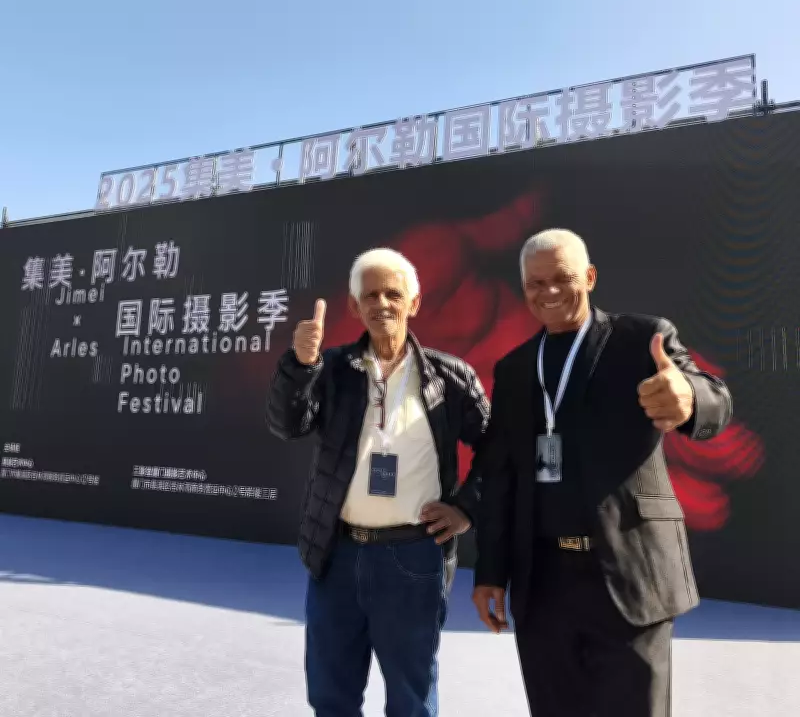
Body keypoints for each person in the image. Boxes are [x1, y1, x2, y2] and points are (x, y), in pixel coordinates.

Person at [472, 228, 732, 717]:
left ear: (589, 277)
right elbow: (501, 479)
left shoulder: (642, 339)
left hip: (631, 575)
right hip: (542, 586)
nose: (549, 292)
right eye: (536, 283)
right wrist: (490, 573)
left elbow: (714, 396)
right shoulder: (514, 369)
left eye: (563, 278)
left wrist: (689, 397)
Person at [267, 247, 490, 717]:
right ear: (354, 306)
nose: (382, 303)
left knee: (411, 700)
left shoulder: (449, 377)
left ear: (415, 303)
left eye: (393, 294)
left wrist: (467, 508)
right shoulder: (330, 369)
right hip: (337, 556)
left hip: (414, 557)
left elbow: (498, 451)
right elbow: (287, 424)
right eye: (370, 295)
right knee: (331, 697)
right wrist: (299, 365)